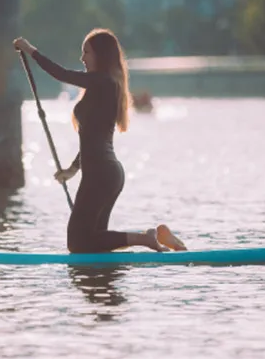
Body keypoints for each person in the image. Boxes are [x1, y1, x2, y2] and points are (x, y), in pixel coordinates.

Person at [13, 29, 187, 253]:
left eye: (86, 52)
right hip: (105, 173)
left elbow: (63, 74)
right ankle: (163, 241)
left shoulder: (103, 81)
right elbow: (91, 138)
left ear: (101, 55)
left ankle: (145, 238)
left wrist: (30, 51)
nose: (82, 58)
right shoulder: (104, 85)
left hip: (101, 174)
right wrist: (72, 170)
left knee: (78, 243)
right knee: (95, 243)